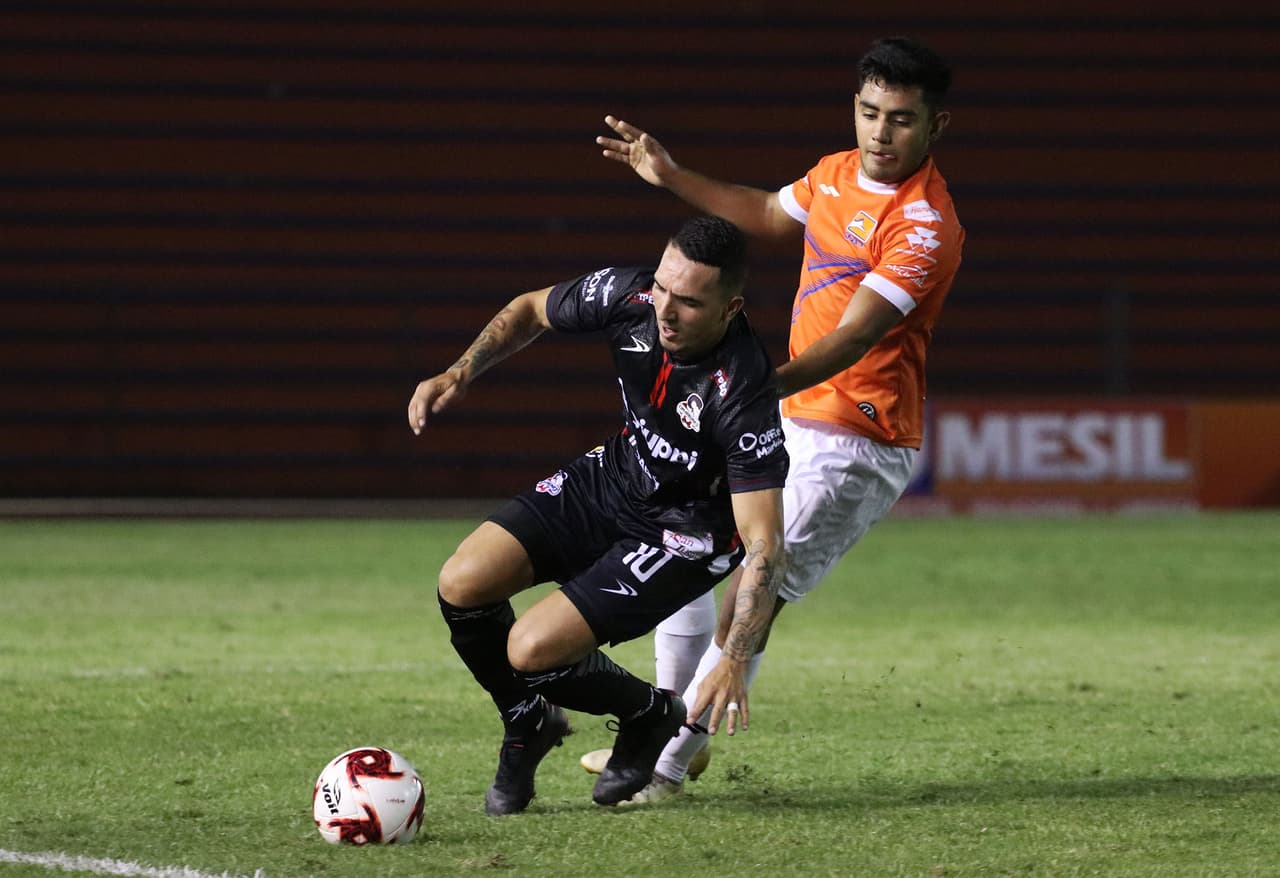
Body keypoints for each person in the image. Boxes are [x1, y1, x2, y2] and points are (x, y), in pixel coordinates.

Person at [581, 36, 964, 802]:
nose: (881, 134)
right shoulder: (834, 172)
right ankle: (670, 733)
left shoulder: (925, 227)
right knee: (684, 542)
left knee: (759, 580)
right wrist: (672, 176)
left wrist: (747, 388)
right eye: (869, 113)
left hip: (856, 436)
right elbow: (762, 212)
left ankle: (661, 766)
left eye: (901, 119)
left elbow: (854, 337)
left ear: (935, 127)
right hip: (787, 411)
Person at [408, 215, 789, 815]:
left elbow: (765, 541)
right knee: (461, 582)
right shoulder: (631, 296)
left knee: (530, 650)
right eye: (663, 287)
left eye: (688, 302)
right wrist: (460, 370)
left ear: (730, 308)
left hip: (681, 532)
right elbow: (532, 308)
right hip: (611, 478)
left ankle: (650, 713)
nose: (664, 310)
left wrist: (735, 659)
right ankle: (526, 721)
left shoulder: (743, 390)